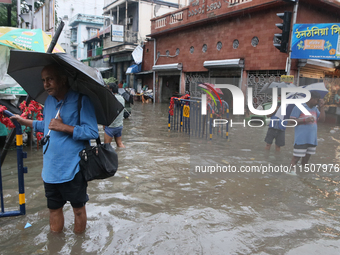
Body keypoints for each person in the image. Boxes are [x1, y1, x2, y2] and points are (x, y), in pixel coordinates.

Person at [10, 64, 98, 234]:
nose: (46, 84)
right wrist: (24, 121)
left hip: (74, 168)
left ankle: (78, 248)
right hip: (51, 169)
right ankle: (55, 246)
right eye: (43, 80)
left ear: (63, 79)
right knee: (53, 210)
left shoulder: (81, 100)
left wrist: (64, 127)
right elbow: (47, 126)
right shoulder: (48, 102)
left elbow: (92, 131)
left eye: (50, 79)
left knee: (78, 210)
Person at [290, 91, 325, 167]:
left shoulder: (315, 109)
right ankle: (290, 173)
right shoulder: (299, 107)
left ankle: (303, 177)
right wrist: (305, 120)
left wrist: (322, 107)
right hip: (301, 139)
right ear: (311, 98)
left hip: (312, 139)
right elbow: (291, 121)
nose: (317, 102)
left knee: (306, 161)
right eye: (317, 100)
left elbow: (322, 120)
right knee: (295, 159)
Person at [104, 83, 125, 148]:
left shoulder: (110, 99)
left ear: (111, 89)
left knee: (106, 146)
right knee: (120, 144)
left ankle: (109, 158)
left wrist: (104, 125)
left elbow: (106, 112)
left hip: (111, 126)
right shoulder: (122, 98)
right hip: (119, 125)